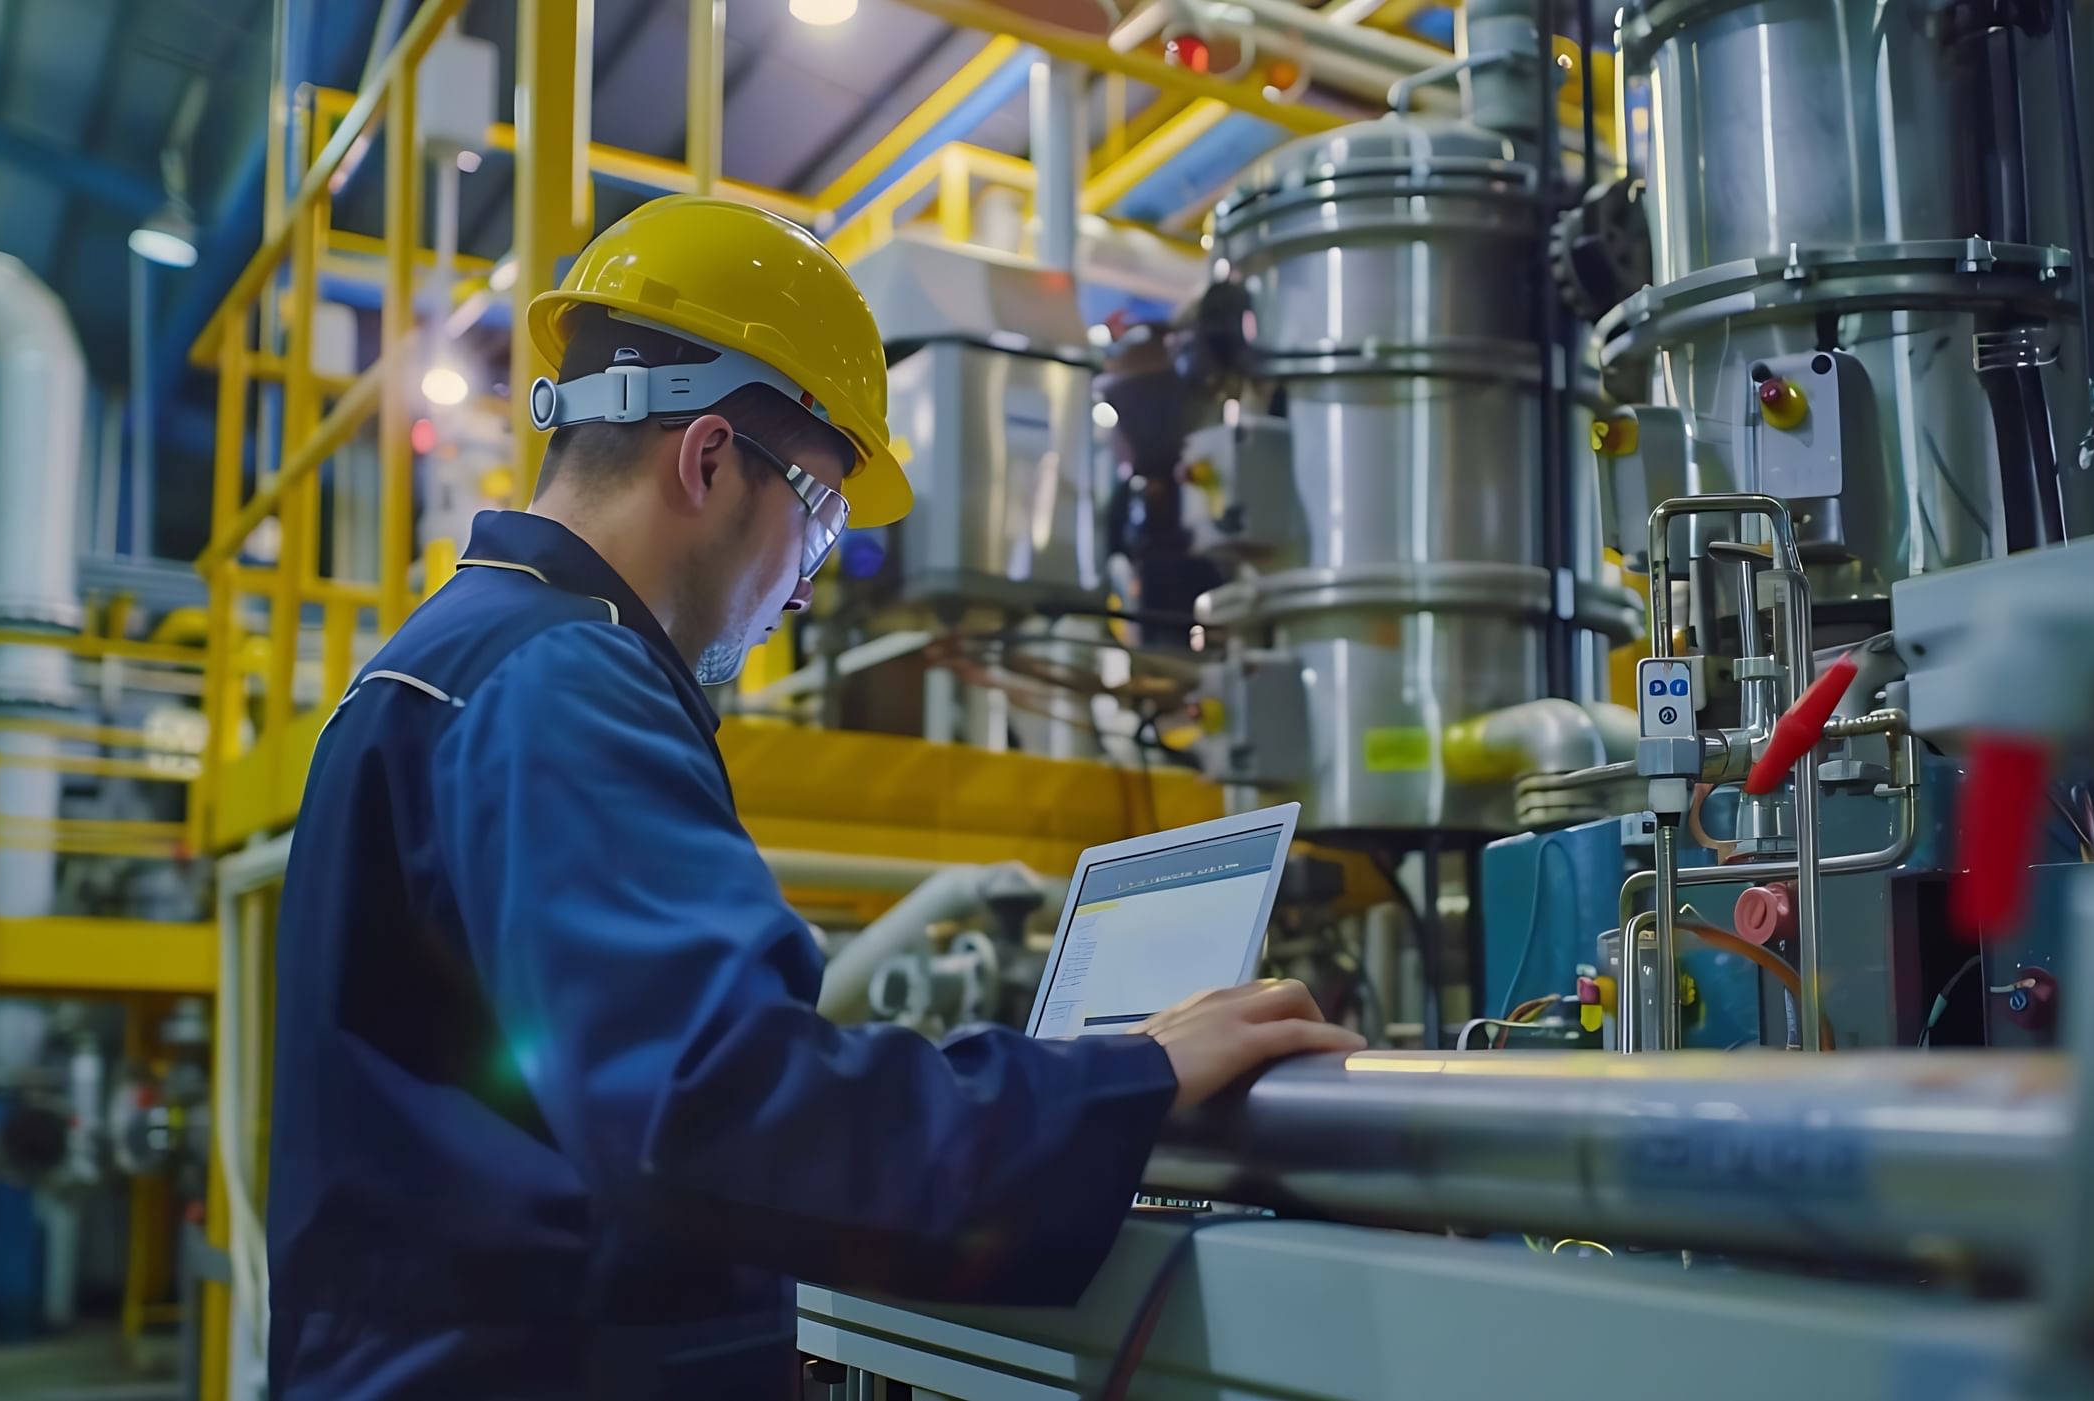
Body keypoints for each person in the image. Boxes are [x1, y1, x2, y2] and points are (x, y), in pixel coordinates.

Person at [264, 196, 1361, 1398]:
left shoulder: (445, 658)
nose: (802, 589)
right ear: (707, 459)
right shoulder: (561, 682)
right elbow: (722, 1108)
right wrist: (1129, 1080)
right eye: (822, 517)